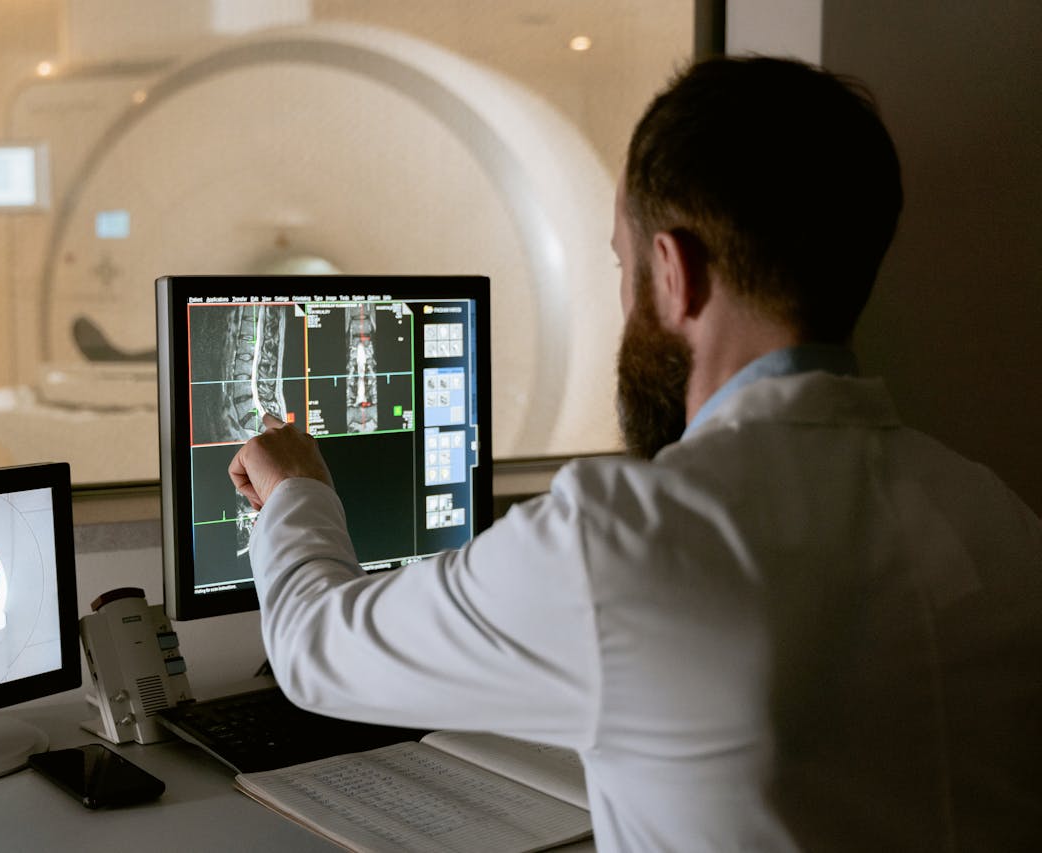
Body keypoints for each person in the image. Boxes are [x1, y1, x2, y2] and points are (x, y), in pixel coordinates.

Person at [229, 56, 1042, 851]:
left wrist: (297, 487)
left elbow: (314, 649)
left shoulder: (625, 538)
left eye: (623, 264)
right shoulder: (996, 520)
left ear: (673, 270)